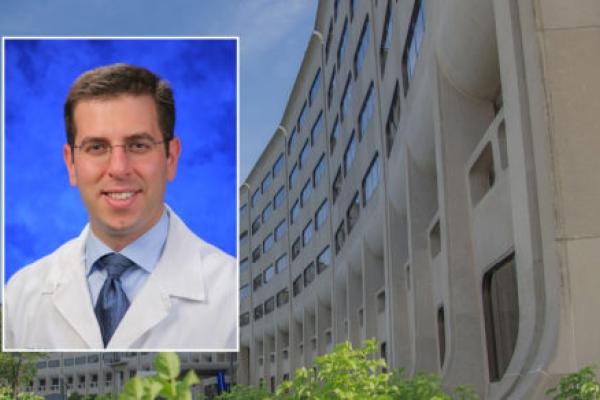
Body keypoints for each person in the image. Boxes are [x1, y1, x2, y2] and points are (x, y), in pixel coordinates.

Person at [4, 64, 237, 350]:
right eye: (96, 147)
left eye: (138, 145)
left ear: (171, 158)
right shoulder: (19, 296)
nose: (118, 169)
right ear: (71, 164)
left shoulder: (234, 292)